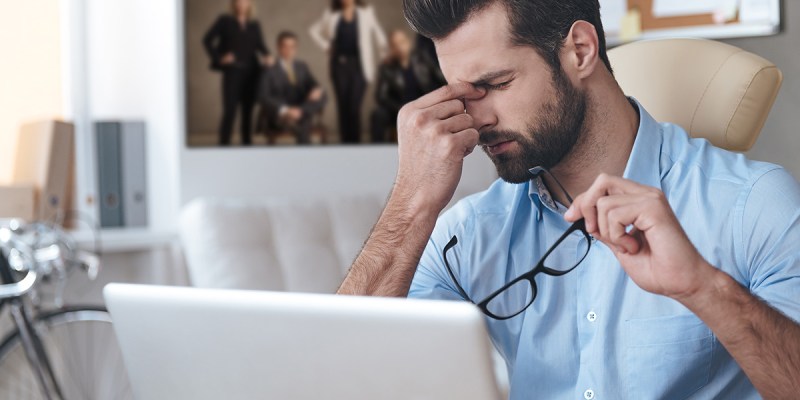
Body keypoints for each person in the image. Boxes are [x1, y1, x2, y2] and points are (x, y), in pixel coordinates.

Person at [337, 0, 800, 399]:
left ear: (581, 50)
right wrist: (411, 200)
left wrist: (703, 288)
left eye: (496, 84)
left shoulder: (752, 205)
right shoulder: (471, 234)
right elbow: (336, 377)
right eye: (462, 95)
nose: (477, 119)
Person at [309, 0, 387, 144]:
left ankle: (355, 144)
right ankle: (346, 145)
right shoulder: (331, 14)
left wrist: (384, 54)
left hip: (360, 67)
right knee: (343, 106)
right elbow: (313, 30)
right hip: (339, 67)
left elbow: (378, 33)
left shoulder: (366, 13)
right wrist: (326, 45)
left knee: (353, 107)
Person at [203, 0, 272, 146]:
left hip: (252, 73)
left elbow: (261, 46)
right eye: (238, 2)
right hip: (233, 72)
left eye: (244, 2)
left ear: (250, 4)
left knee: (248, 112)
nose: (241, 5)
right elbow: (207, 40)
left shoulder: (254, 24)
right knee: (230, 111)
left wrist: (268, 56)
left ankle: (247, 145)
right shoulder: (225, 20)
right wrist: (220, 58)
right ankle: (224, 145)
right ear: (233, 4)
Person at [370, 30, 442, 143]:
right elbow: (381, 96)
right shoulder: (386, 68)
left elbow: (440, 78)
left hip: (424, 106)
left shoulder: (422, 59)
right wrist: (400, 109)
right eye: (395, 45)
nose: (399, 47)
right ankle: (377, 151)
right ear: (391, 49)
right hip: (398, 110)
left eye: (402, 42)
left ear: (408, 43)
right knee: (378, 115)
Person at [259, 31, 328, 145]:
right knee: (304, 120)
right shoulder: (269, 68)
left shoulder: (302, 66)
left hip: (301, 107)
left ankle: (299, 113)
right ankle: (303, 147)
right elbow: (262, 96)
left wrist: (317, 90)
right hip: (280, 113)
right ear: (278, 47)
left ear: (296, 48)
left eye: (292, 47)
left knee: (323, 94)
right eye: (285, 46)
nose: (289, 50)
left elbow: (314, 84)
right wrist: (286, 110)